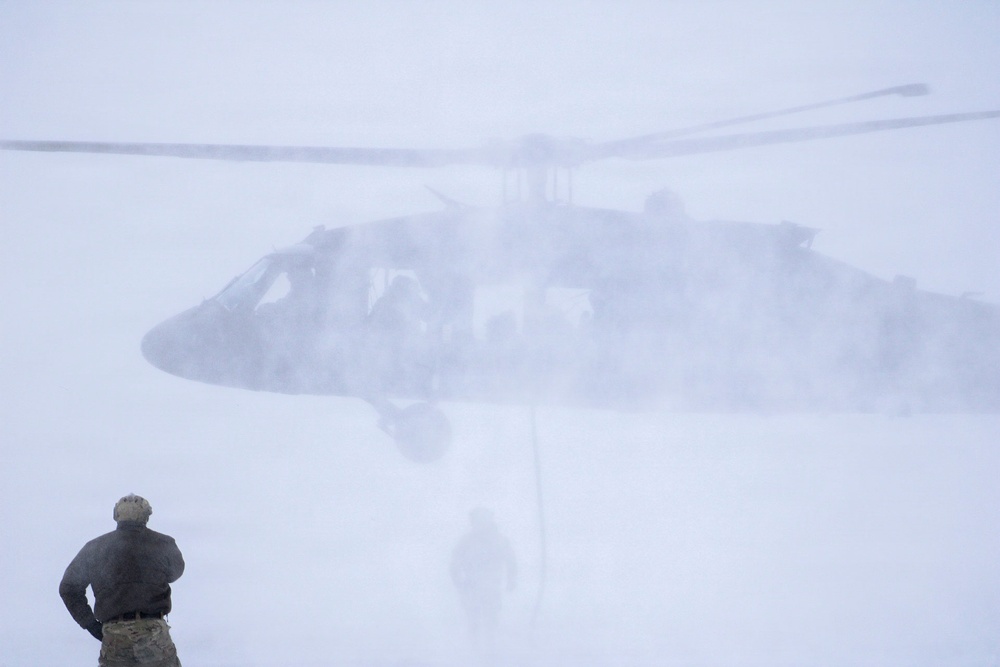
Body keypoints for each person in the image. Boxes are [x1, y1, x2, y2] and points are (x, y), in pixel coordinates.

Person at [60, 494, 185, 667]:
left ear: (116, 515)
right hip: (154, 634)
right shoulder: (164, 543)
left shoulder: (95, 548)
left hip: (114, 636)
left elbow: (69, 588)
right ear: (146, 515)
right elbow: (175, 574)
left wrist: (90, 624)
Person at [450, 507, 517, 662]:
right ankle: (474, 651)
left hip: (491, 586)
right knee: (473, 620)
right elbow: (454, 563)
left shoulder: (499, 540)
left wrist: (511, 579)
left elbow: (511, 561)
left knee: (491, 619)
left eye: (483, 519)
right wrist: (458, 581)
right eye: (477, 520)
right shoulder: (466, 541)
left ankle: (490, 651)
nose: (480, 523)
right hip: (470, 586)